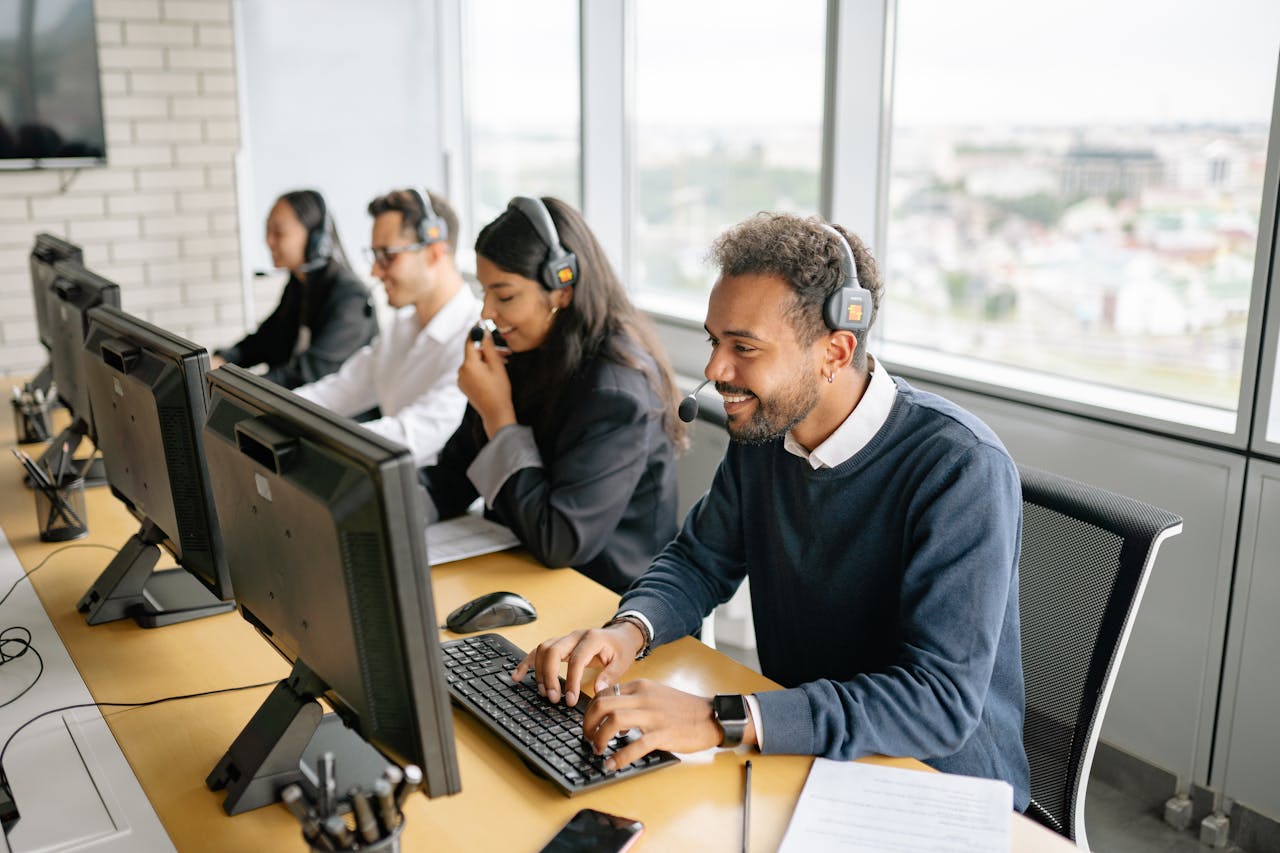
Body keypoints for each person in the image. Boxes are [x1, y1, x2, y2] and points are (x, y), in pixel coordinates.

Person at [514, 212, 1031, 809]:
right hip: (808, 750)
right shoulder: (766, 435)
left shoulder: (959, 468)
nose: (714, 370)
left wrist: (724, 718)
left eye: (744, 347)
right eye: (715, 341)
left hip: (934, 785)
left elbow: (938, 702)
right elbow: (699, 561)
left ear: (834, 351)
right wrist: (628, 632)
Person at [418, 196, 686, 595]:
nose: (487, 311)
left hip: (604, 603)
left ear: (562, 286)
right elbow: (453, 478)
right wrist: (383, 510)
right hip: (525, 577)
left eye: (504, 296)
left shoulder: (617, 391)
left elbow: (559, 539)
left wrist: (498, 416)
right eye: (485, 292)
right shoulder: (526, 354)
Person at [292, 189, 479, 465]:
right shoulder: (401, 328)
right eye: (374, 256)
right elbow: (340, 390)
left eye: (388, 256)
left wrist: (316, 443)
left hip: (444, 502)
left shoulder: (475, 337)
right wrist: (272, 410)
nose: (375, 272)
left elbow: (410, 436)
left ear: (435, 252)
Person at [212, 190, 377, 389]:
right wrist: (221, 360)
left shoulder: (350, 297)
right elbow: (266, 339)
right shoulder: (300, 284)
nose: (269, 241)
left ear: (316, 240)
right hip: (304, 406)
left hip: (344, 415)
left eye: (279, 233)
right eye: (267, 231)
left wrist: (241, 388)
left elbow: (308, 374)